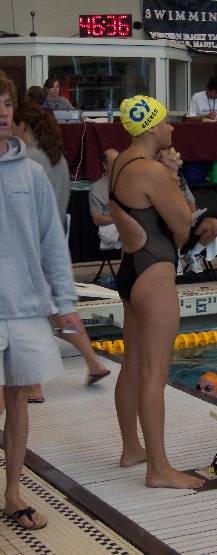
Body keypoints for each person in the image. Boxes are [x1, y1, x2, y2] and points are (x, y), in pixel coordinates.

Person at [109, 94, 204, 489]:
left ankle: (132, 448)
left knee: (132, 365)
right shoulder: (152, 171)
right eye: (165, 121)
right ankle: (159, 469)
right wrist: (172, 175)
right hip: (154, 273)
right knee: (154, 373)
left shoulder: (121, 163)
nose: (171, 127)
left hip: (130, 271)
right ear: (150, 127)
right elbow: (184, 225)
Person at [0, 73, 81, 530]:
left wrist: (64, 301)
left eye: (6, 103)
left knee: (18, 402)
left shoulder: (31, 173)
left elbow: (52, 242)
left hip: (26, 308)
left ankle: (12, 493)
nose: (2, 112)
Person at [13, 100, 111, 399]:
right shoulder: (57, 160)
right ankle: (93, 362)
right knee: (59, 310)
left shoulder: (27, 160)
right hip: (55, 239)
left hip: (32, 245)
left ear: (21, 126)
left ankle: (34, 385)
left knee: (34, 314)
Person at [177, 171, 217, 274]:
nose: (179, 164)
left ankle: (193, 254)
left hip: (188, 221)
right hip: (174, 223)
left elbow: (191, 201)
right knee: (179, 225)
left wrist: (194, 216)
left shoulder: (182, 181)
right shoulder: (164, 183)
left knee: (215, 224)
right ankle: (176, 257)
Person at [89, 149, 121, 250]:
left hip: (130, 225)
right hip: (110, 227)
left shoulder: (128, 182)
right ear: (105, 165)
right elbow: (97, 219)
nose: (117, 166)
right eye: (114, 163)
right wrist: (121, 220)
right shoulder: (96, 188)